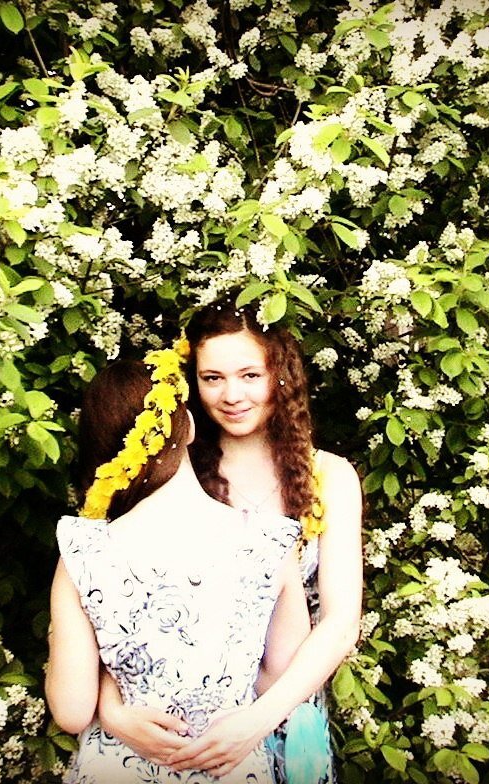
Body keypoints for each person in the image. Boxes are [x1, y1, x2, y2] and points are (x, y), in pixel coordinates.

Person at [98, 297, 364, 783]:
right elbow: (108, 598)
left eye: (250, 375)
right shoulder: (175, 473)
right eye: (212, 378)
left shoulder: (330, 476)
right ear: (192, 383)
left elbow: (341, 621)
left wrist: (258, 721)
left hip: (286, 713)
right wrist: (112, 710)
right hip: (180, 730)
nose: (232, 395)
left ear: (279, 375)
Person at [45, 348, 311, 783]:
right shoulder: (270, 540)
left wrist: (114, 692)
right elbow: (280, 672)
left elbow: (72, 710)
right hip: (229, 765)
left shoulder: (83, 550)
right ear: (187, 425)